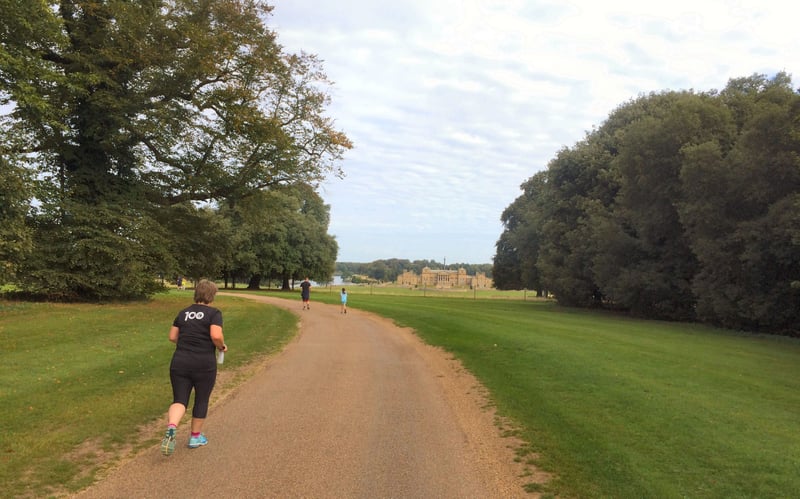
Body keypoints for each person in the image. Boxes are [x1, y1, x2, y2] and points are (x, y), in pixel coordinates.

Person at [161, 279, 227, 456]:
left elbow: (172, 337)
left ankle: (172, 426)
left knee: (180, 399)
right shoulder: (214, 313)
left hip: (180, 361)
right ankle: (195, 437)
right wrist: (221, 347)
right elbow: (216, 335)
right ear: (212, 295)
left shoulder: (183, 313)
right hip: (203, 363)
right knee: (201, 399)